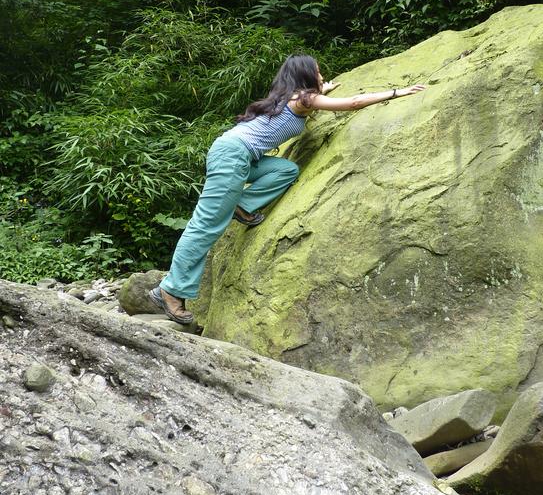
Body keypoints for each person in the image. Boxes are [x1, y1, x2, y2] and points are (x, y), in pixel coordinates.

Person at [149, 53, 426, 324]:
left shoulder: (290, 98)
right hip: (233, 155)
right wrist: (396, 92)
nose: (322, 76)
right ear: (306, 75)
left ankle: (242, 204)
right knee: (205, 226)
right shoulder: (304, 100)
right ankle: (171, 290)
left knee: (286, 170)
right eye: (318, 72)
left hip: (242, 156)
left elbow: (311, 101)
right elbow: (353, 102)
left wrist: (321, 91)